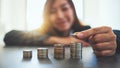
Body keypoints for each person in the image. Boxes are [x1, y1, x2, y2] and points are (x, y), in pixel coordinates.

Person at [4, 0, 120, 56]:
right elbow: (10, 35)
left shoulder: (85, 29)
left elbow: (113, 35)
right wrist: (60, 40)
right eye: (52, 11)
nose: (59, 16)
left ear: (73, 11)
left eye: (64, 8)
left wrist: (114, 38)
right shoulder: (41, 32)